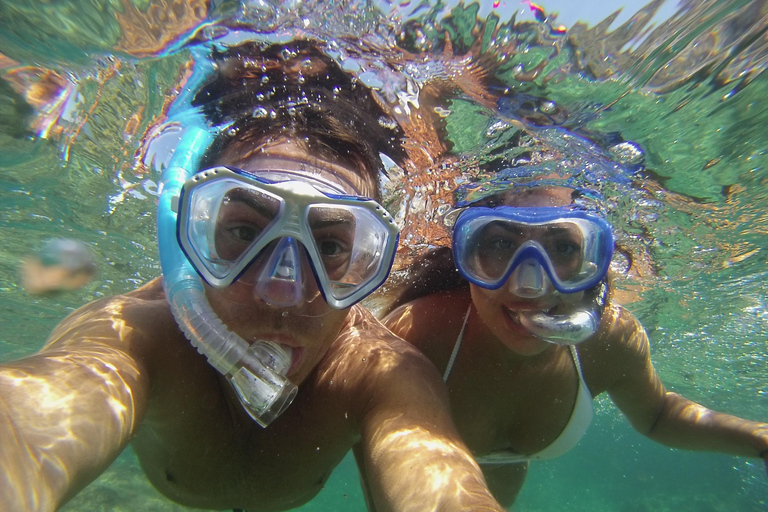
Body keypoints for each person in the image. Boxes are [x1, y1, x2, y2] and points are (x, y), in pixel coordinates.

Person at [0, 39, 506, 512]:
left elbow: (438, 481)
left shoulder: (377, 371)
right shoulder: (134, 337)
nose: (281, 292)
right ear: (191, 235)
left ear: (366, 261)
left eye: (329, 246)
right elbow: (28, 422)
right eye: (244, 234)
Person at [382, 179, 768, 507]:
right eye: (500, 245)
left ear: (594, 261)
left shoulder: (611, 340)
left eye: (564, 247)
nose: (529, 285)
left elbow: (658, 415)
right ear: (466, 255)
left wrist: (758, 438)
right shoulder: (415, 335)